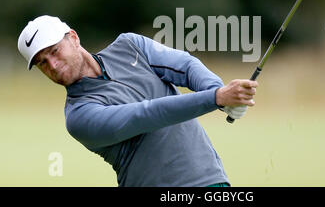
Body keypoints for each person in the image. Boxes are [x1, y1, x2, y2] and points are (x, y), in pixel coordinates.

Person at [17, 15, 258, 187]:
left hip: (211, 181)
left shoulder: (131, 46)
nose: (53, 65)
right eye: (42, 63)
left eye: (54, 51)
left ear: (74, 38)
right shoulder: (79, 116)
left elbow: (185, 66)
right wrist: (216, 98)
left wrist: (220, 93)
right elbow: (147, 114)